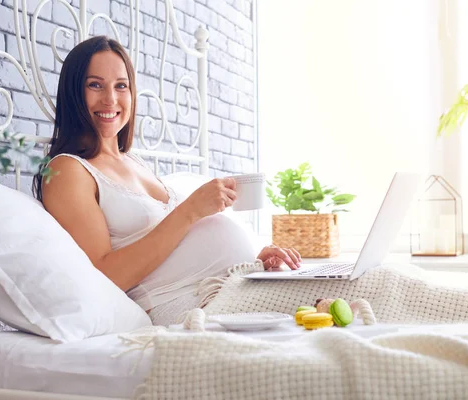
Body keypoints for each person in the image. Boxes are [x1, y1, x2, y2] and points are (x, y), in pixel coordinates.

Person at [32, 36, 301, 318]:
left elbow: (173, 250)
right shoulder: (67, 170)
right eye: (95, 85)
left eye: (121, 86)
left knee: (335, 295)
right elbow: (102, 276)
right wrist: (190, 211)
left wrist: (252, 258)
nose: (110, 99)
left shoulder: (134, 161)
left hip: (221, 287)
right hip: (180, 305)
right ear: (74, 93)